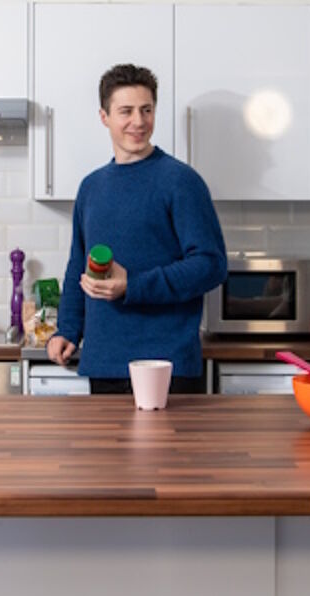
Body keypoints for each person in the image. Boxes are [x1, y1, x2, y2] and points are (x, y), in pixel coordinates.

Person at [47, 64, 227, 394]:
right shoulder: (91, 187)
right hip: (104, 362)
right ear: (104, 116)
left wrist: (133, 285)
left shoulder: (181, 182)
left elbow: (211, 264)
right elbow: (79, 266)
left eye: (147, 110)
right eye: (126, 111)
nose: (139, 122)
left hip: (167, 366)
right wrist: (67, 329)